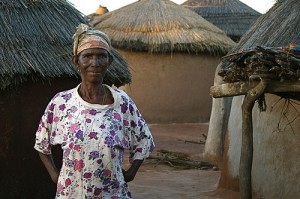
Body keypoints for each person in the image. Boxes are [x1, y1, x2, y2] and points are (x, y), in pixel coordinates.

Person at [34, 23, 155, 199]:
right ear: (76, 61)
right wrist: (55, 175)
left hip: (112, 194)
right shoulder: (61, 103)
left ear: (110, 61)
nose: (95, 63)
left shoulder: (122, 102)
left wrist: (130, 173)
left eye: (101, 56)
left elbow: (144, 139)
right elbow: (41, 142)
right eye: (88, 56)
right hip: (72, 194)